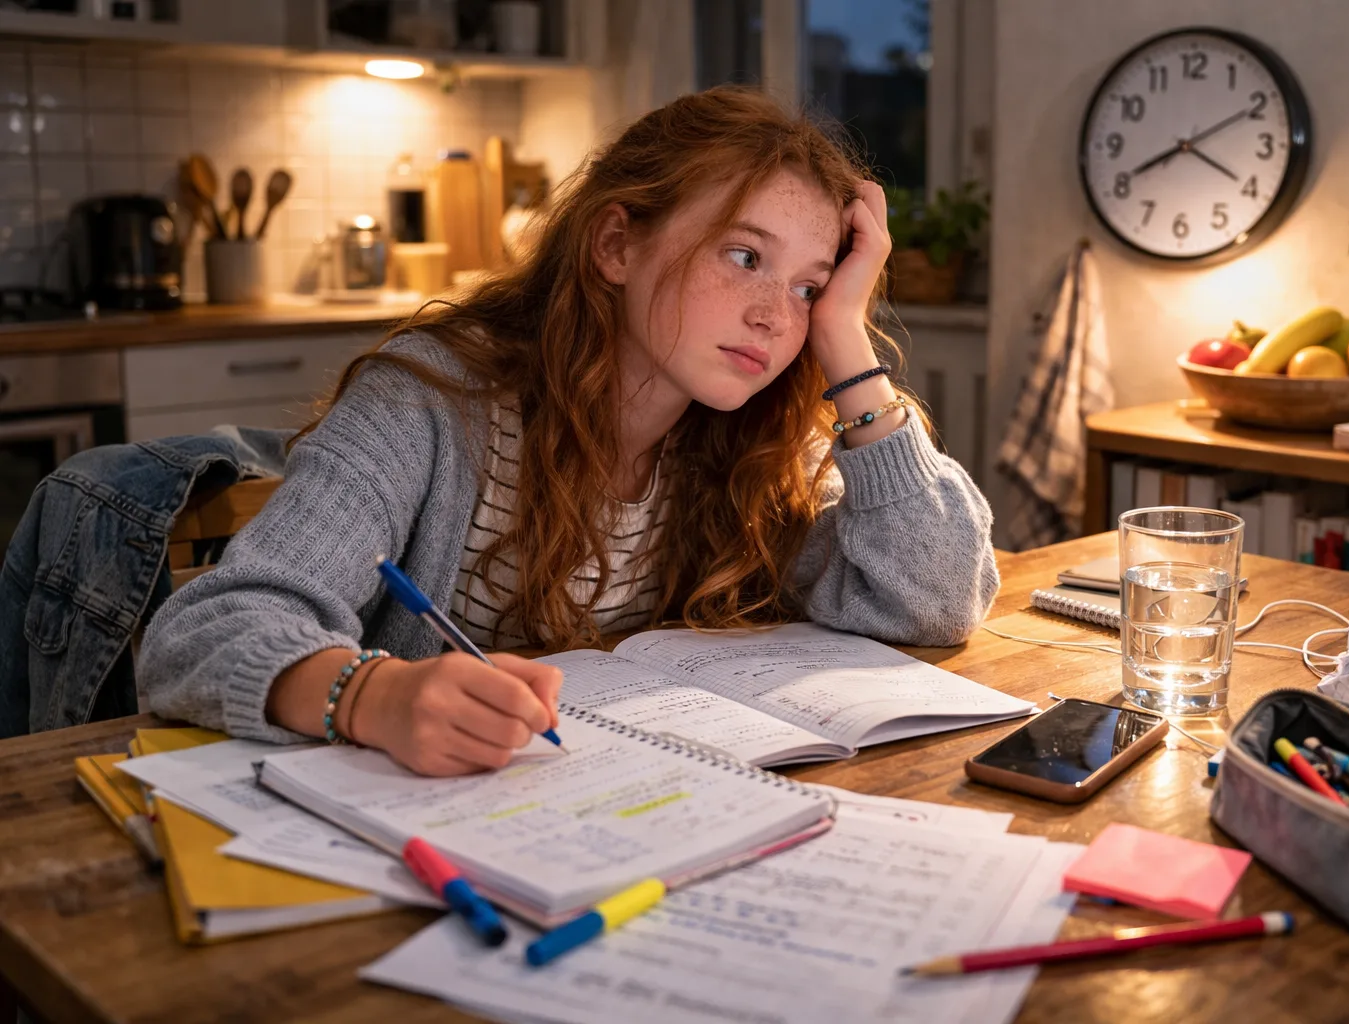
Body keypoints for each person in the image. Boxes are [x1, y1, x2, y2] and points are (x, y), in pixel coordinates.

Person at [139, 86, 999, 777]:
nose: (779, 318)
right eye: (744, 257)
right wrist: (369, 696)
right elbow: (207, 629)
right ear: (617, 245)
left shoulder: (759, 438)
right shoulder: (428, 404)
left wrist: (846, 340)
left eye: (811, 286)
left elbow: (934, 597)